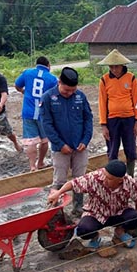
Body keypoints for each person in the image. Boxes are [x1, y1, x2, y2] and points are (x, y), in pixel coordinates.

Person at [47, 159, 137, 249]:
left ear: (120, 180)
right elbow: (73, 183)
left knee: (135, 217)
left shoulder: (130, 183)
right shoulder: (95, 177)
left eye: (109, 178)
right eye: (104, 175)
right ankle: (95, 237)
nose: (104, 179)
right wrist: (58, 193)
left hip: (119, 212)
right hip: (96, 214)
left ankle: (119, 231)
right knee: (83, 230)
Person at [40, 67, 93, 216]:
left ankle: (78, 208)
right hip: (60, 148)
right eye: (66, 90)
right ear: (59, 83)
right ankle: (57, 211)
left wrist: (85, 139)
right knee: (59, 180)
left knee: (80, 179)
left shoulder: (80, 97)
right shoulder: (48, 98)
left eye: (72, 90)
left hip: (80, 147)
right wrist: (59, 144)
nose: (69, 93)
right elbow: (47, 125)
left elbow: (88, 118)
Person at [97, 49, 137, 176]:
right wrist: (103, 125)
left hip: (129, 119)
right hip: (112, 120)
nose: (114, 69)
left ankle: (130, 176)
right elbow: (102, 103)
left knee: (131, 150)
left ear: (122, 65)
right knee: (112, 150)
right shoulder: (104, 80)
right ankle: (113, 177)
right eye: (111, 67)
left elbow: (136, 100)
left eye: (116, 66)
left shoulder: (131, 78)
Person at [14, 56, 58, 171]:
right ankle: (41, 162)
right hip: (43, 112)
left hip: (28, 111)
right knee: (44, 140)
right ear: (48, 65)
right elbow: (56, 95)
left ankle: (32, 166)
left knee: (31, 141)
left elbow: (17, 85)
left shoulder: (27, 73)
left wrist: (23, 91)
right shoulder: (52, 78)